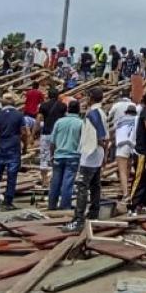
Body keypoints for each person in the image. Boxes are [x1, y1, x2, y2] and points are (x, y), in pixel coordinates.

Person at [63, 89, 109, 232]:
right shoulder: (101, 112)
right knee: (95, 185)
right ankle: (93, 213)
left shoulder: (93, 113)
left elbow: (101, 135)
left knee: (82, 186)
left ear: (91, 97)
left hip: (90, 154)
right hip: (97, 154)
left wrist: (101, 145)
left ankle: (78, 219)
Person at [0, 93, 28, 210]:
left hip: (1, 148)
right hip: (14, 148)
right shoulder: (19, 115)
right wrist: (25, 146)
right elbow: (24, 133)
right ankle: (7, 202)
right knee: (11, 176)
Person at [48, 101, 82, 211]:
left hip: (59, 155)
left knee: (55, 181)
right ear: (79, 110)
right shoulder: (81, 123)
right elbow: (82, 142)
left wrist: (52, 155)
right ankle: (65, 205)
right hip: (73, 156)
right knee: (68, 182)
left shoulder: (59, 122)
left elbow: (52, 141)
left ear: (68, 109)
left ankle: (52, 204)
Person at [36, 87, 65, 177]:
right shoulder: (63, 106)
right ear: (57, 96)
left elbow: (38, 119)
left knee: (44, 156)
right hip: (58, 135)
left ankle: (44, 180)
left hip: (46, 133)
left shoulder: (43, 105)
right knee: (57, 156)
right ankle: (55, 178)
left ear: (48, 95)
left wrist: (33, 133)